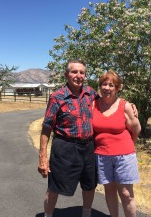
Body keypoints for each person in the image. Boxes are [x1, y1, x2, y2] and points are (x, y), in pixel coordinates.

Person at [38, 60, 98, 217]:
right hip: (65, 147)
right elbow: (46, 128)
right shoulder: (57, 97)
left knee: (89, 184)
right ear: (66, 75)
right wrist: (43, 157)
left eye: (82, 72)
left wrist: (129, 104)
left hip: (89, 147)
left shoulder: (91, 93)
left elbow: (109, 103)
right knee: (54, 186)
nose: (78, 76)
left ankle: (86, 214)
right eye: (74, 72)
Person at [92, 70, 141, 217]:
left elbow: (136, 129)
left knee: (126, 193)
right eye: (103, 84)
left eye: (111, 85)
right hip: (102, 155)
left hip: (124, 155)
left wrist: (130, 145)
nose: (106, 88)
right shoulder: (93, 104)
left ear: (117, 88)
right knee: (110, 191)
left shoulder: (124, 106)